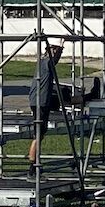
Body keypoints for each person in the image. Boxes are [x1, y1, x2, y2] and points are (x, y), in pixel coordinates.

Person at [27, 39, 63, 172]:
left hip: (41, 101)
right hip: (40, 102)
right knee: (38, 134)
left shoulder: (42, 63)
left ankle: (35, 162)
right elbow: (55, 60)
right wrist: (62, 45)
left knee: (40, 134)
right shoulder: (47, 63)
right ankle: (32, 165)